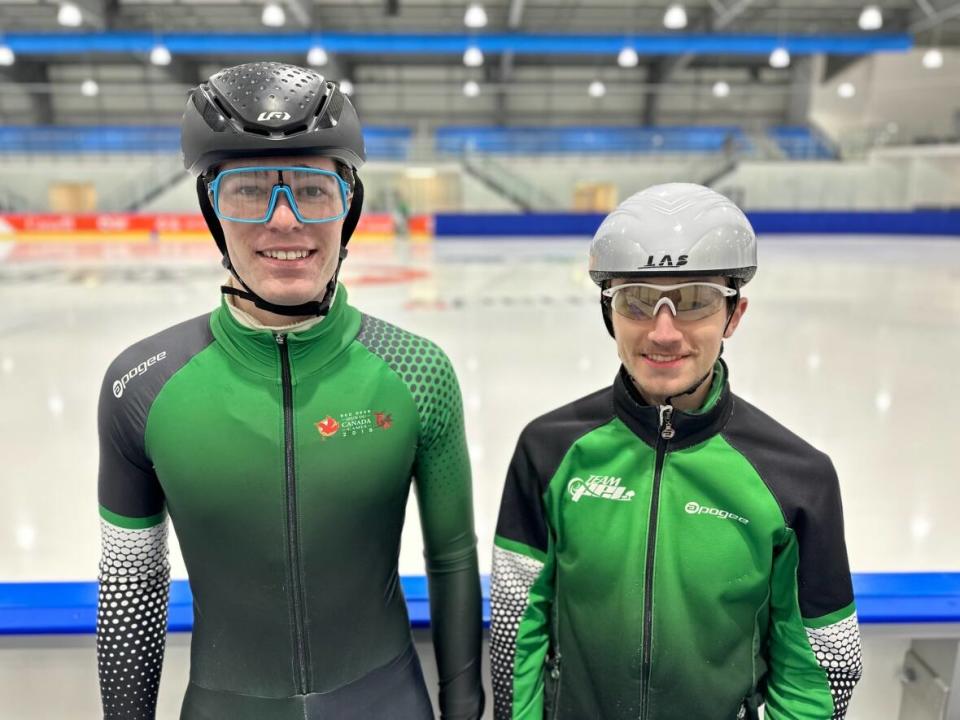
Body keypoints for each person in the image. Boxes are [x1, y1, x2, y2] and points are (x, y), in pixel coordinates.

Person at [96, 62, 484, 720]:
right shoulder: (142, 385)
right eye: (248, 192)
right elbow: (132, 586)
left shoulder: (418, 373)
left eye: (314, 189)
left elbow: (452, 562)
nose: (285, 222)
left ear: (350, 206)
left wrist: (465, 706)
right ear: (212, 211)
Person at [490, 183, 862, 720]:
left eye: (695, 301)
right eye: (637, 301)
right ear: (608, 312)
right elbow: (514, 629)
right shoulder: (549, 452)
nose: (663, 332)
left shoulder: (797, 481)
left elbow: (824, 665)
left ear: (734, 314)